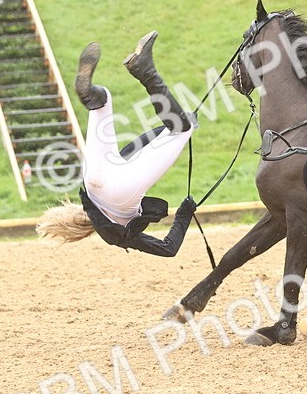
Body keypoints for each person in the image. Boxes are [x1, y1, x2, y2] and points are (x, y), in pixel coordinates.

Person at [36, 31, 198, 256]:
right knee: (101, 103)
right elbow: (133, 150)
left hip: (120, 189)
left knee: (182, 129)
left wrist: (184, 213)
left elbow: (168, 249)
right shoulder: (92, 203)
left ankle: (145, 69)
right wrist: (167, 128)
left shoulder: (114, 233)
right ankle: (90, 94)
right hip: (93, 178)